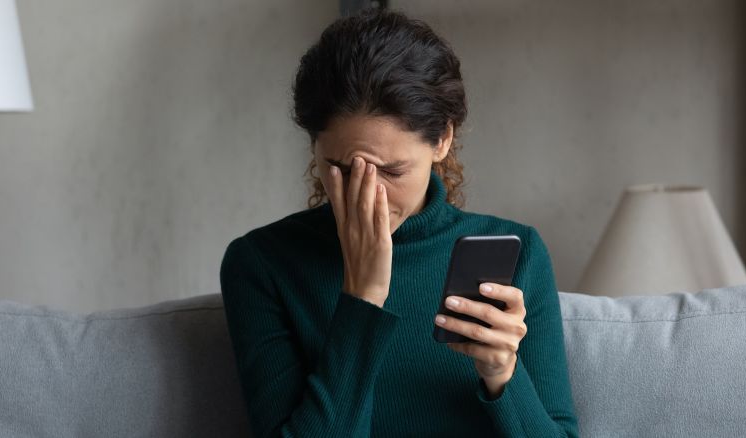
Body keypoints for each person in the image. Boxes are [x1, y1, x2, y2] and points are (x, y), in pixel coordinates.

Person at [220, 8, 578, 438]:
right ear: (313, 145)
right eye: (342, 168)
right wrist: (362, 298)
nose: (369, 194)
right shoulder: (263, 263)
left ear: (442, 140)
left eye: (391, 172)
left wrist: (503, 373)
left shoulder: (519, 251)